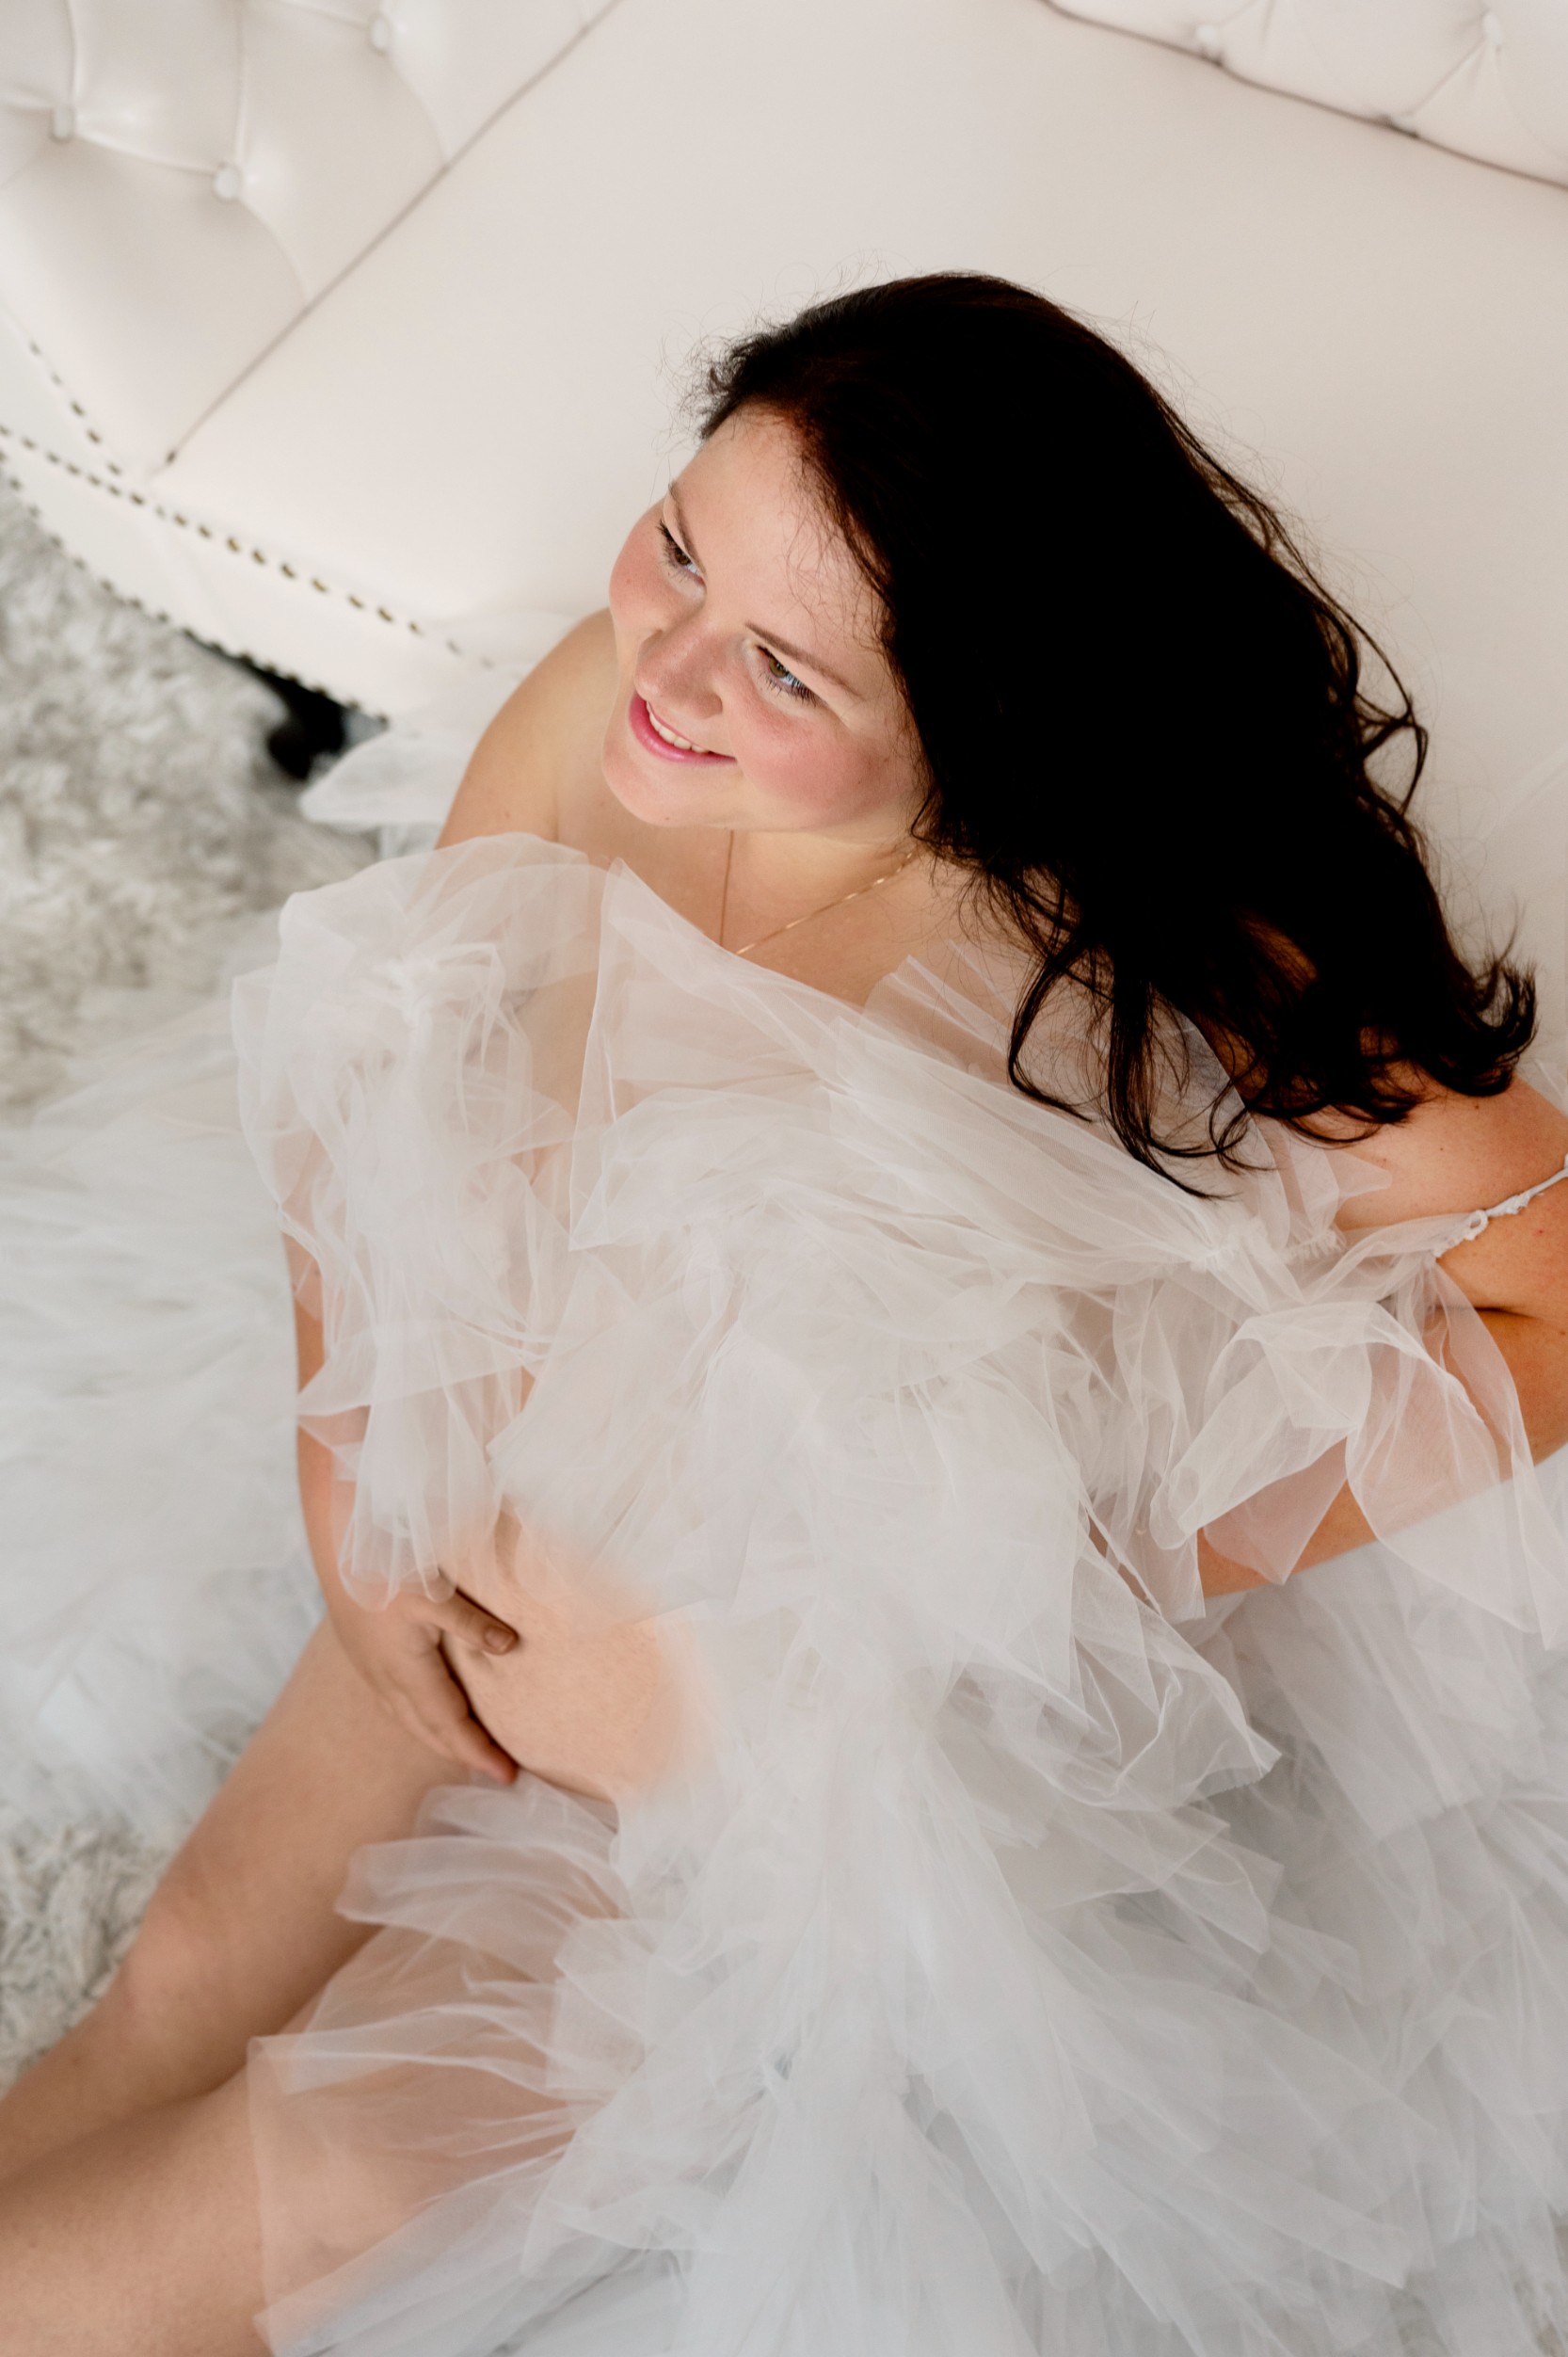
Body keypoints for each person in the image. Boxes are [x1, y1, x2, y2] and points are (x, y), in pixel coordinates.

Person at [4, 271, 1568, 2356]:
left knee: (338, 2167)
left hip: (775, 1801)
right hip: (484, 1537)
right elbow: (391, 1049)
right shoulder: (601, 706)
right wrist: (346, 1443)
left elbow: (1544, 1298)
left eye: (781, 668)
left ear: (975, 724)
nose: (669, 668)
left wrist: (1083, 1555)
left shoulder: (1167, 950)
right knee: (185, 1970)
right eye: (678, 547)